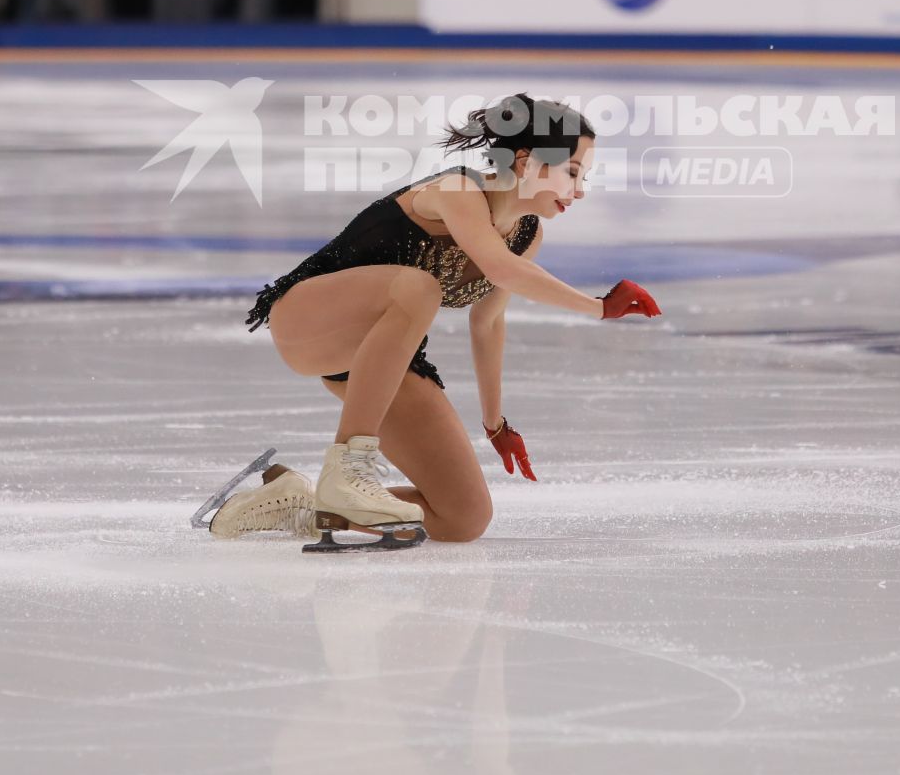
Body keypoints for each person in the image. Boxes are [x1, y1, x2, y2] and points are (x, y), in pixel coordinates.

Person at [204, 95, 660, 550]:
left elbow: (488, 325)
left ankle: (299, 505)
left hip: (379, 361)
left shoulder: (526, 235)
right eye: (574, 173)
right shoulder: (459, 191)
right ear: (526, 163)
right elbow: (501, 270)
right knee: (421, 288)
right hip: (308, 320)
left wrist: (495, 424)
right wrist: (599, 307)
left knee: (462, 515)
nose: (579, 191)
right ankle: (348, 467)